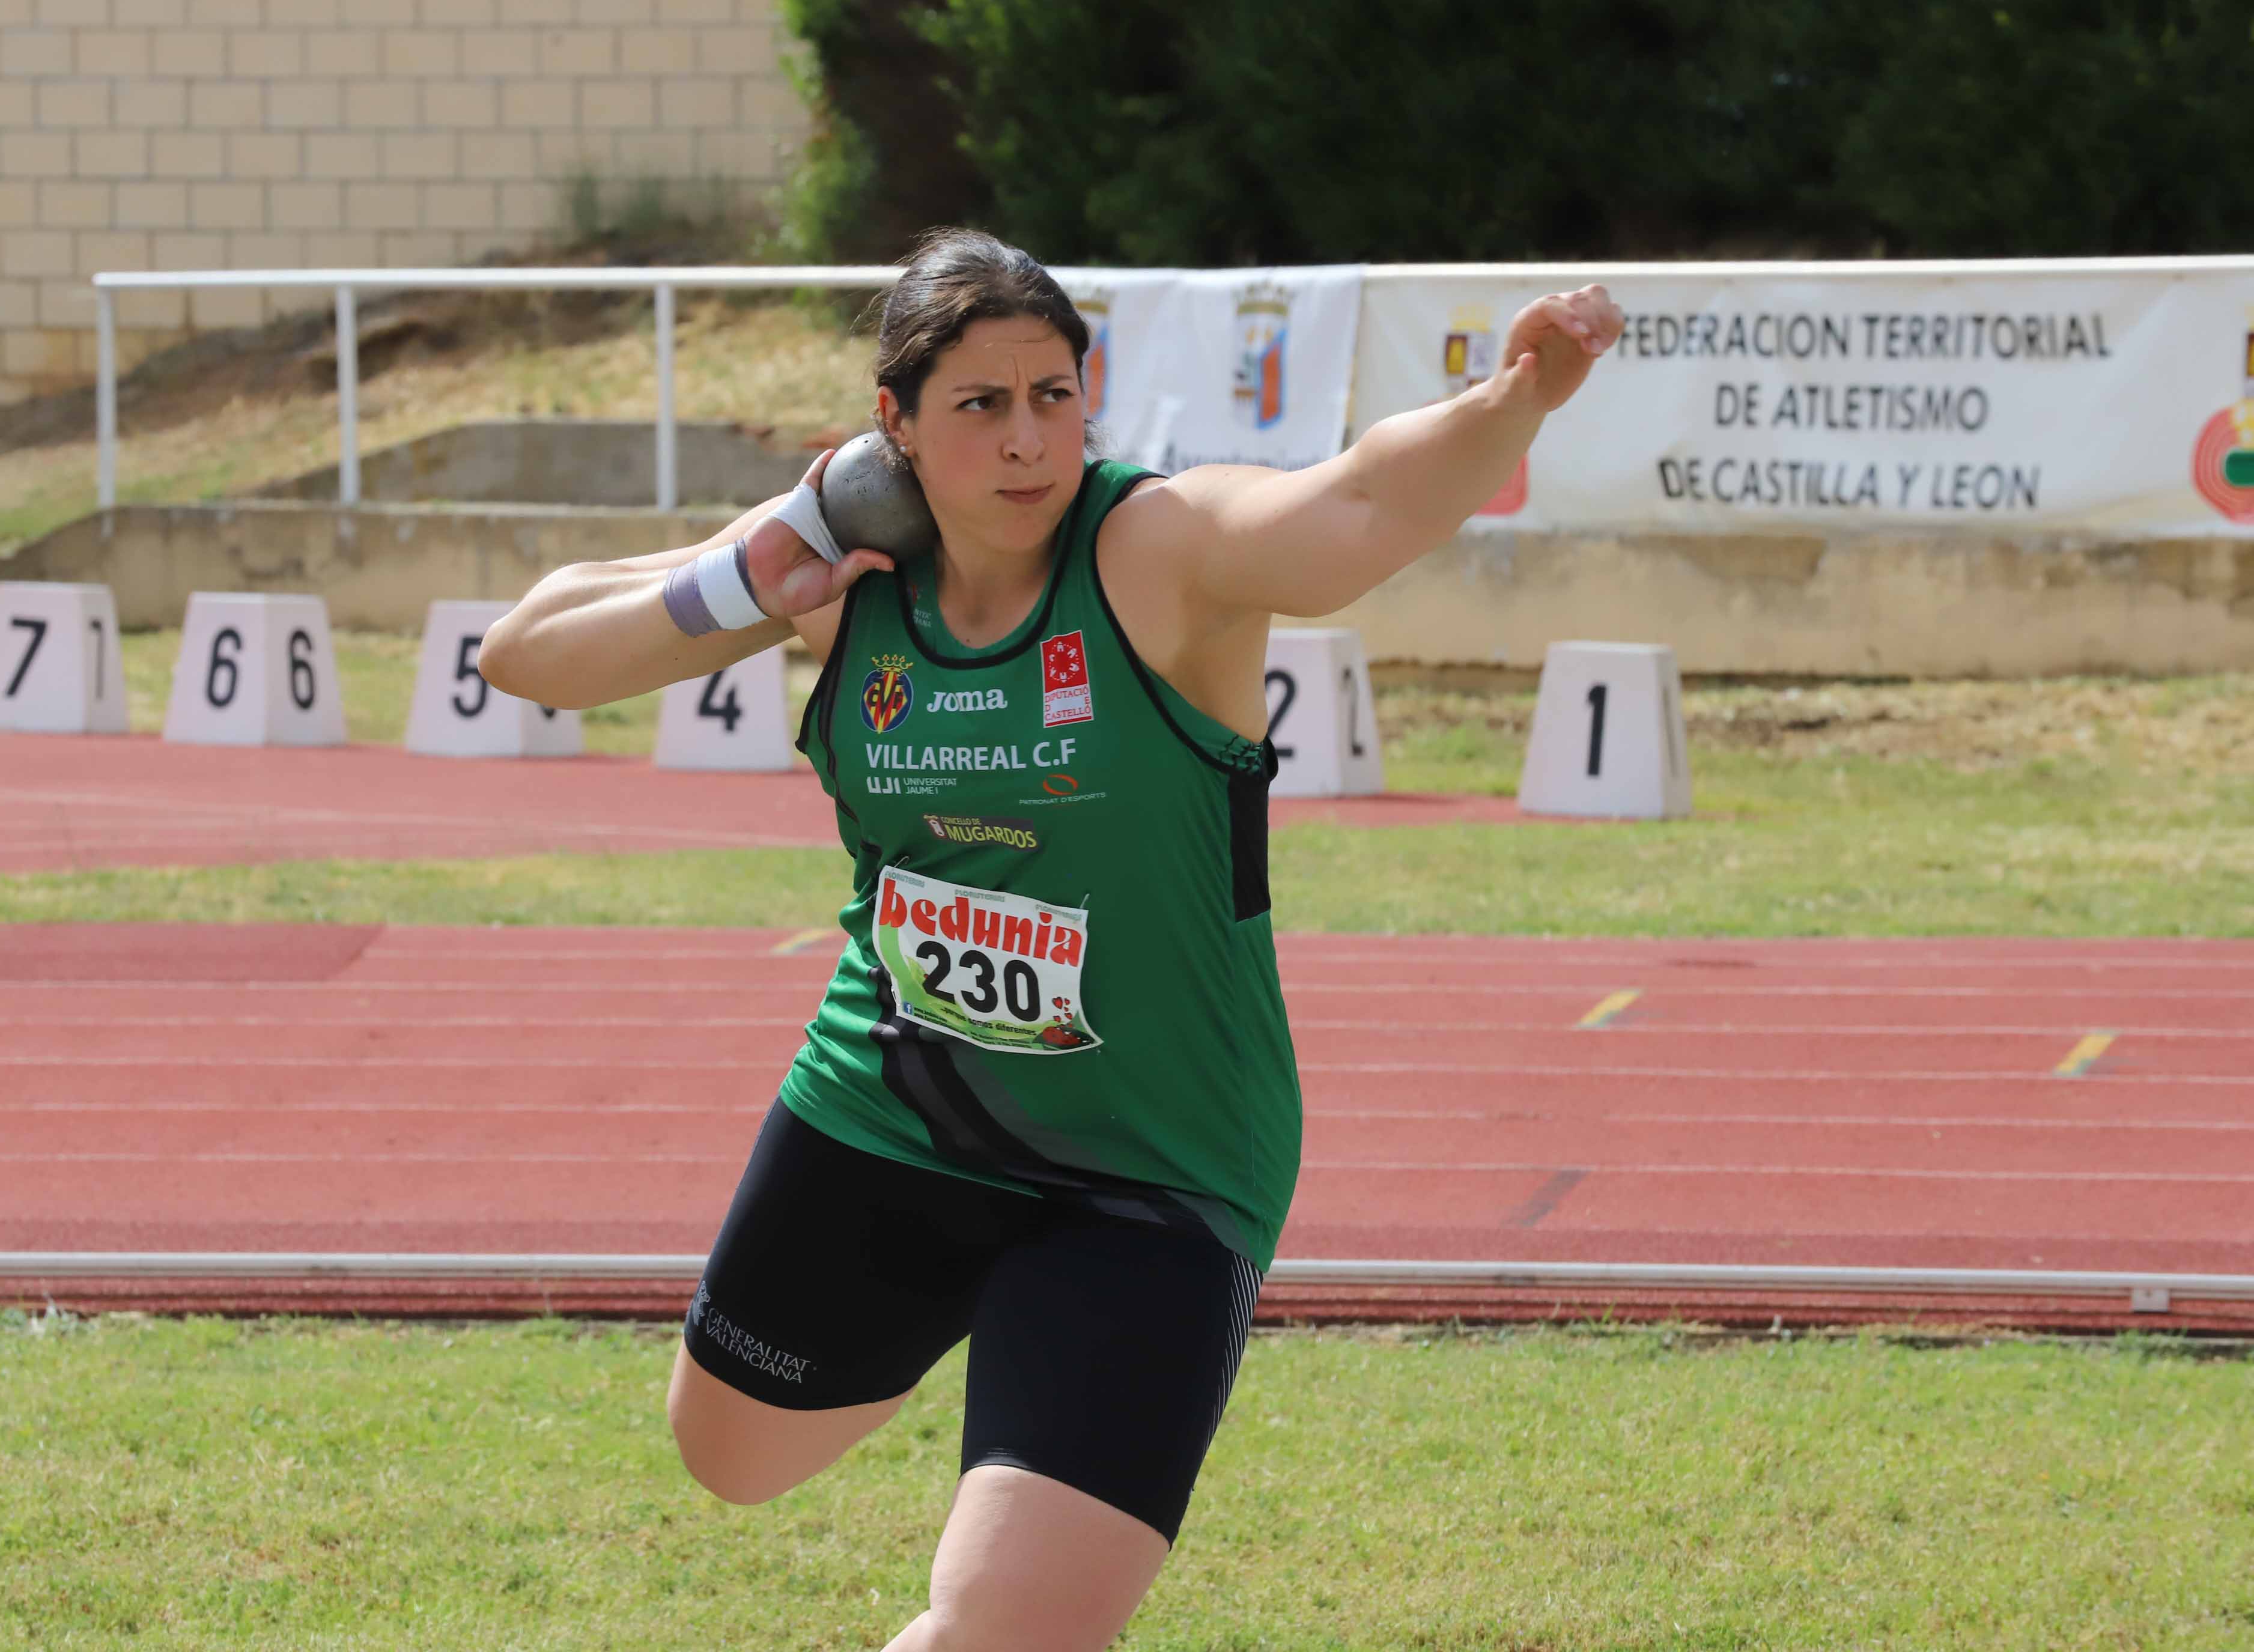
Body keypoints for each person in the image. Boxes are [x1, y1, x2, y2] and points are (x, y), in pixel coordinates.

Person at [481, 229, 1620, 1651]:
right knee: (731, 1450)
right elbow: (523, 653)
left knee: (1009, 1629)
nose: (1028, 441)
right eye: (978, 405)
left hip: (1148, 1165)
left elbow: (1356, 505)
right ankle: (978, 1301)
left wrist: (1517, 394)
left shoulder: (1156, 553)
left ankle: (1043, 1337)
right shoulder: (852, 580)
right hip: (892, 1113)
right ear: (893, 427)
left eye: (1054, 396)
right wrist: (757, 566)